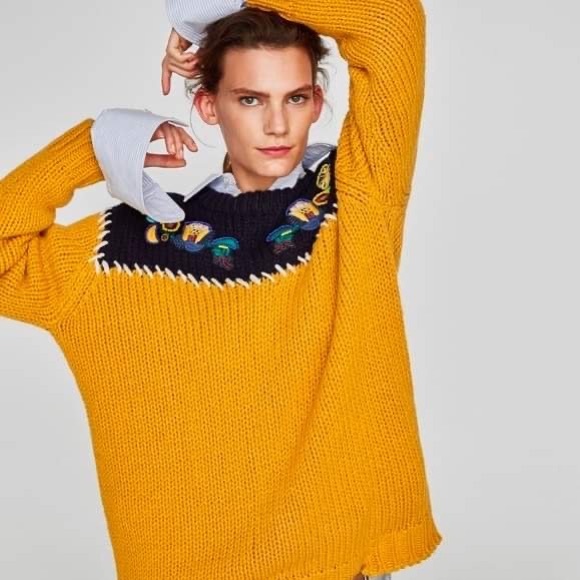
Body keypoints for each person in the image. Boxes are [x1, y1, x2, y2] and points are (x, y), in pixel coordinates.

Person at [0, 0, 441, 578]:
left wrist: (226, 3)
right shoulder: (123, 249)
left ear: (318, 103)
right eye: (250, 99)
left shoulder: (354, 203)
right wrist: (96, 146)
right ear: (210, 106)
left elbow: (392, 23)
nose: (277, 125)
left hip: (340, 562)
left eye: (296, 98)